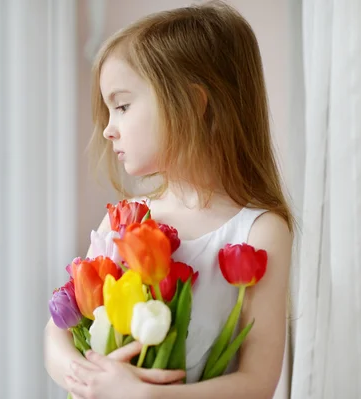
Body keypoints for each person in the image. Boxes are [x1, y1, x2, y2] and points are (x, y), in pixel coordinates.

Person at [44, 2, 293, 398]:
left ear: (194, 105)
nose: (109, 130)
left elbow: (257, 382)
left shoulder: (260, 231)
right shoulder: (127, 222)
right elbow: (56, 331)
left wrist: (146, 396)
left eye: (122, 106)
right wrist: (85, 376)